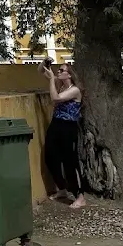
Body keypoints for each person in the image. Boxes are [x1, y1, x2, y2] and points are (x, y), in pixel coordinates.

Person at [42, 62, 86, 209]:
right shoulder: (60, 85)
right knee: (50, 156)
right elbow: (40, 70)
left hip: (68, 127)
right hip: (56, 124)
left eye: (62, 70)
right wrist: (44, 62)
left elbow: (55, 98)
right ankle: (62, 188)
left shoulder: (75, 90)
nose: (58, 72)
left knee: (70, 162)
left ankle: (80, 196)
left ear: (70, 75)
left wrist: (51, 80)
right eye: (58, 70)